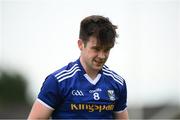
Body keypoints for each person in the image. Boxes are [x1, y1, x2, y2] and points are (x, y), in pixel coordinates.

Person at [28, 15, 128, 119]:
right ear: (80, 44)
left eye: (106, 50)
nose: (102, 56)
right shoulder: (58, 81)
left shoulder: (117, 83)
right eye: (96, 49)